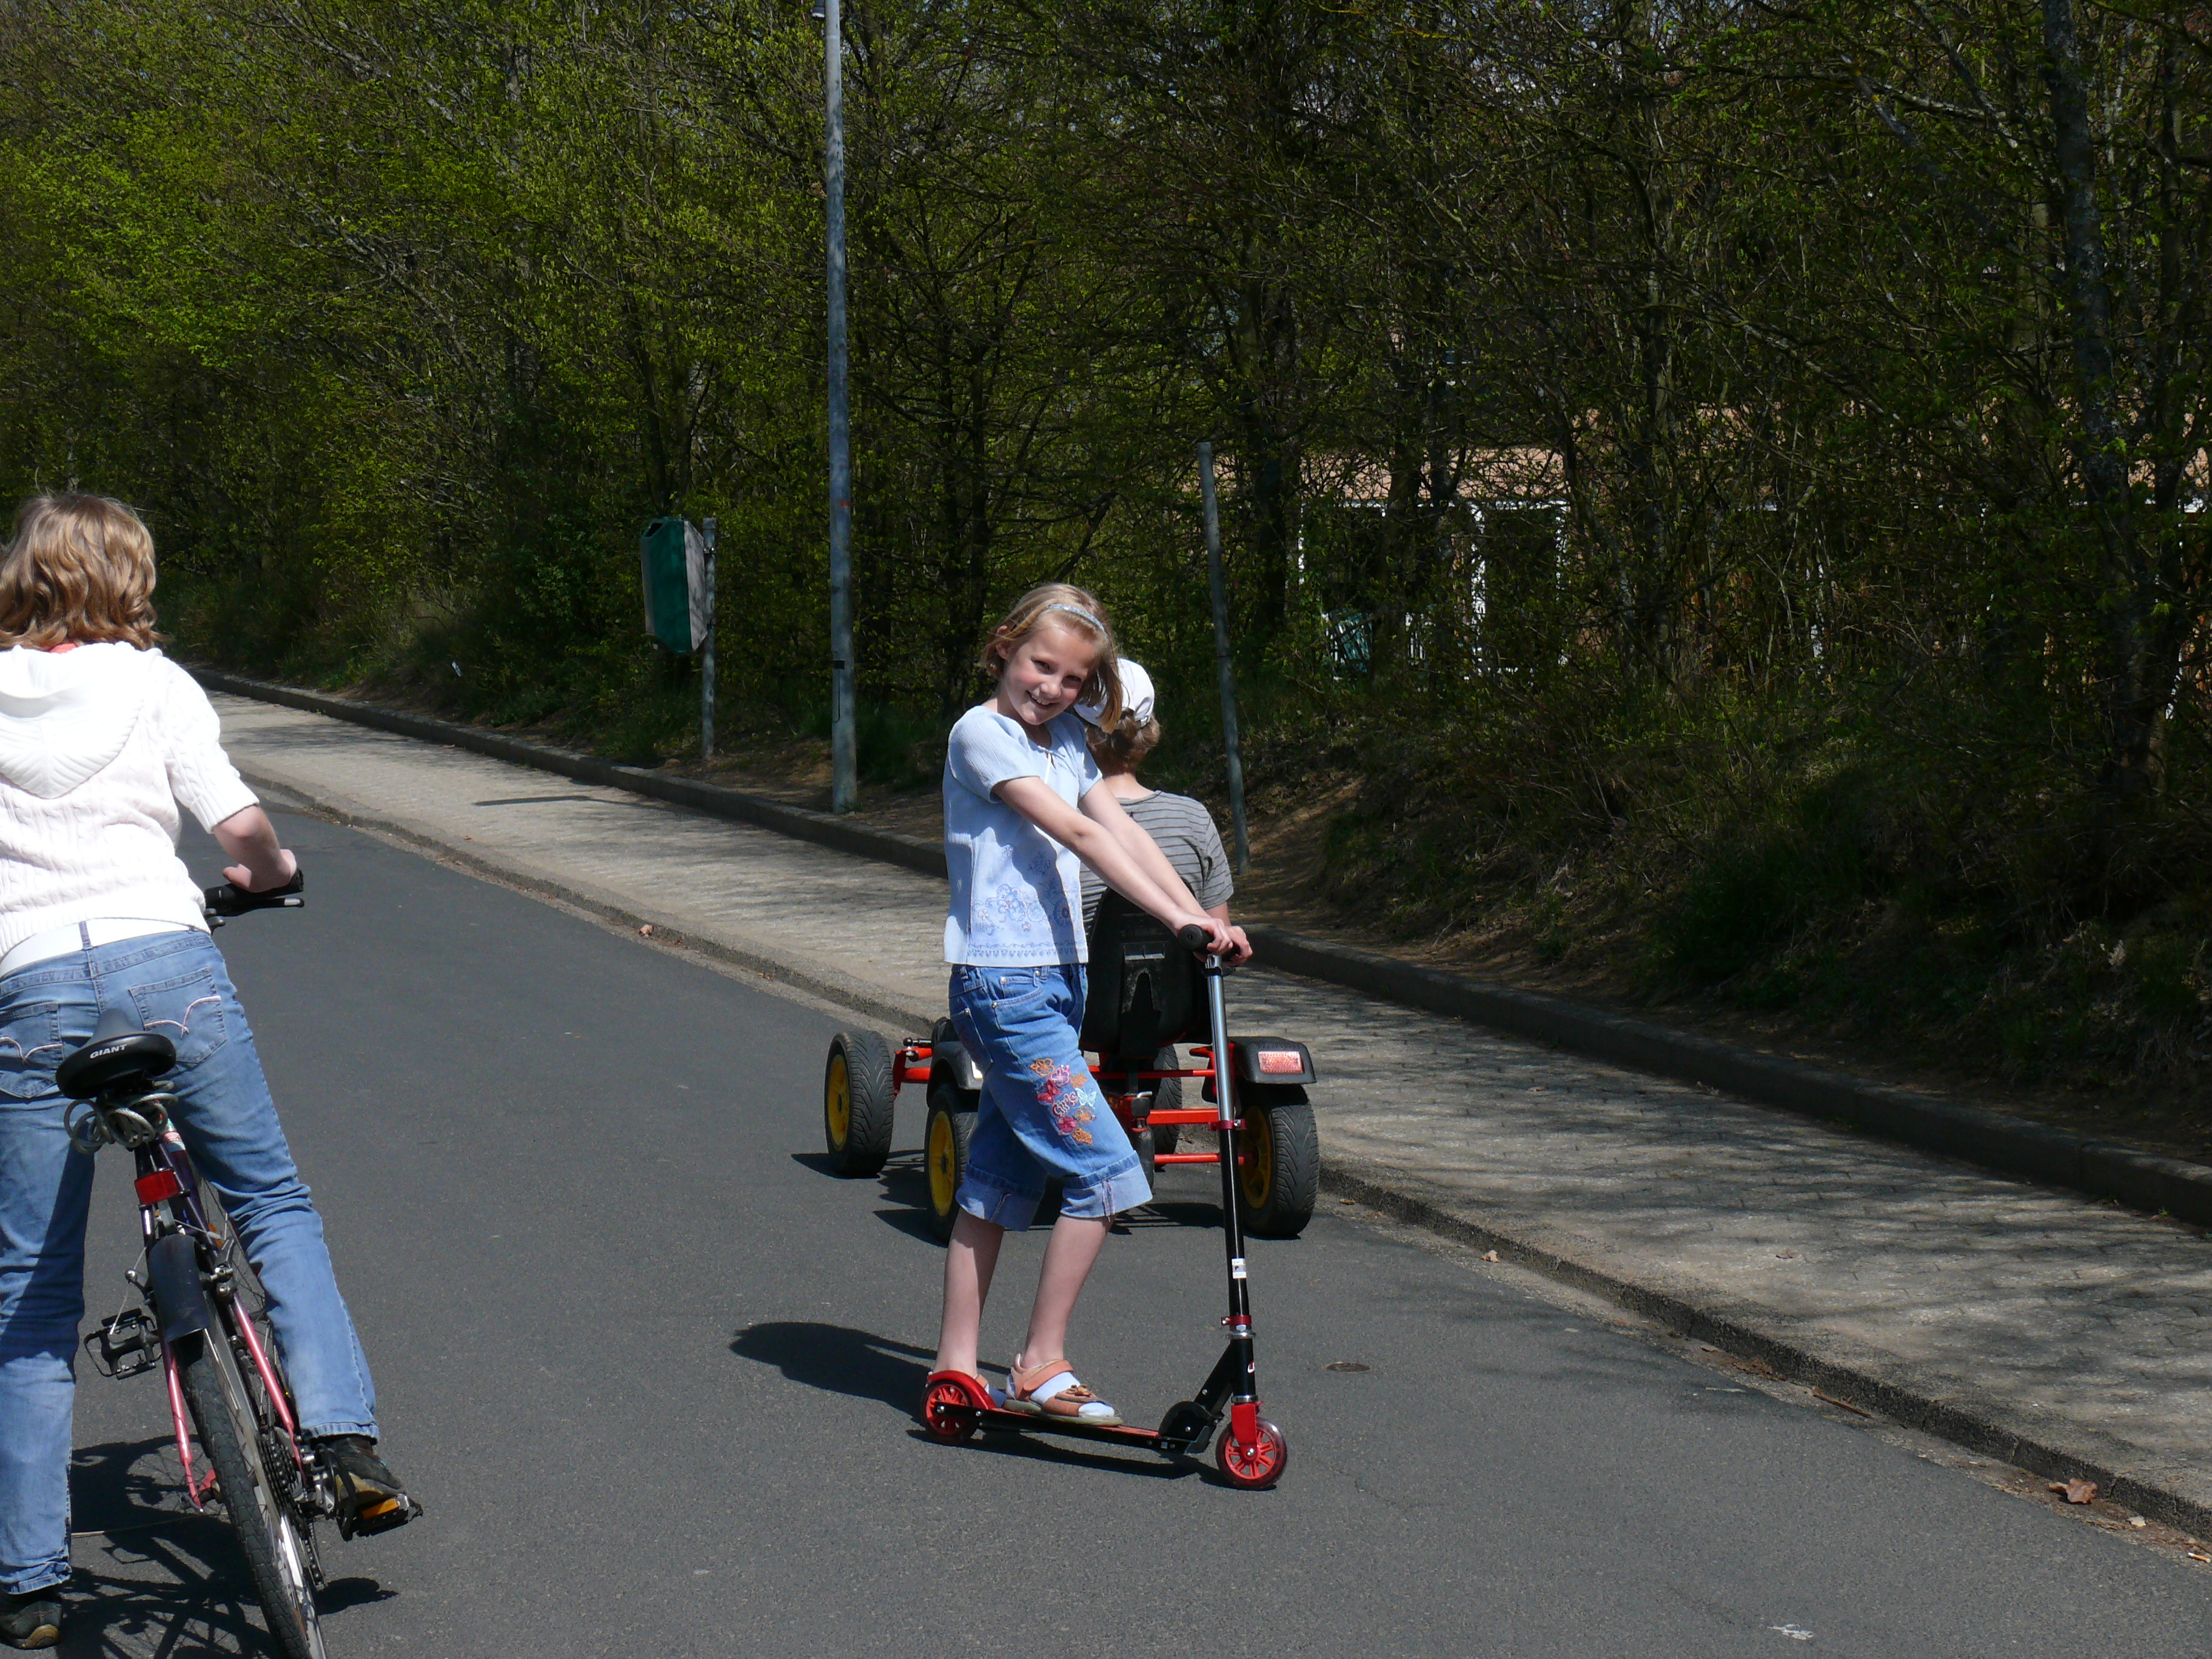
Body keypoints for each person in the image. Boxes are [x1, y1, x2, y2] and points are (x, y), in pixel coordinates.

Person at [0, 495, 414, 1652]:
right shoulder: (155, 683)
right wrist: (272, 874)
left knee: (31, 1291)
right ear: (130, 577)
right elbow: (237, 830)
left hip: (29, 989)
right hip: (167, 966)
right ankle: (342, 1440)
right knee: (271, 1200)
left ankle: (29, 1581)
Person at [932, 583, 1241, 1426]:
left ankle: (955, 1368)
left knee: (996, 1182)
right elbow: (1080, 834)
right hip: (1003, 984)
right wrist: (1177, 918)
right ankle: (1040, 1362)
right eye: (1042, 665)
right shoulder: (981, 735)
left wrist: (1204, 918)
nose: (1054, 689)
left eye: (1074, 679)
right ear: (1005, 647)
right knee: (1108, 1174)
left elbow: (1126, 831)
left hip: (1060, 982)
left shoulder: (1069, 740)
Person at [1073, 658, 1248, 954]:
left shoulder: (1057, 823)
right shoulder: (1195, 819)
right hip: (1184, 984)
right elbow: (1218, 939)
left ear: (1075, 735)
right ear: (1148, 733)